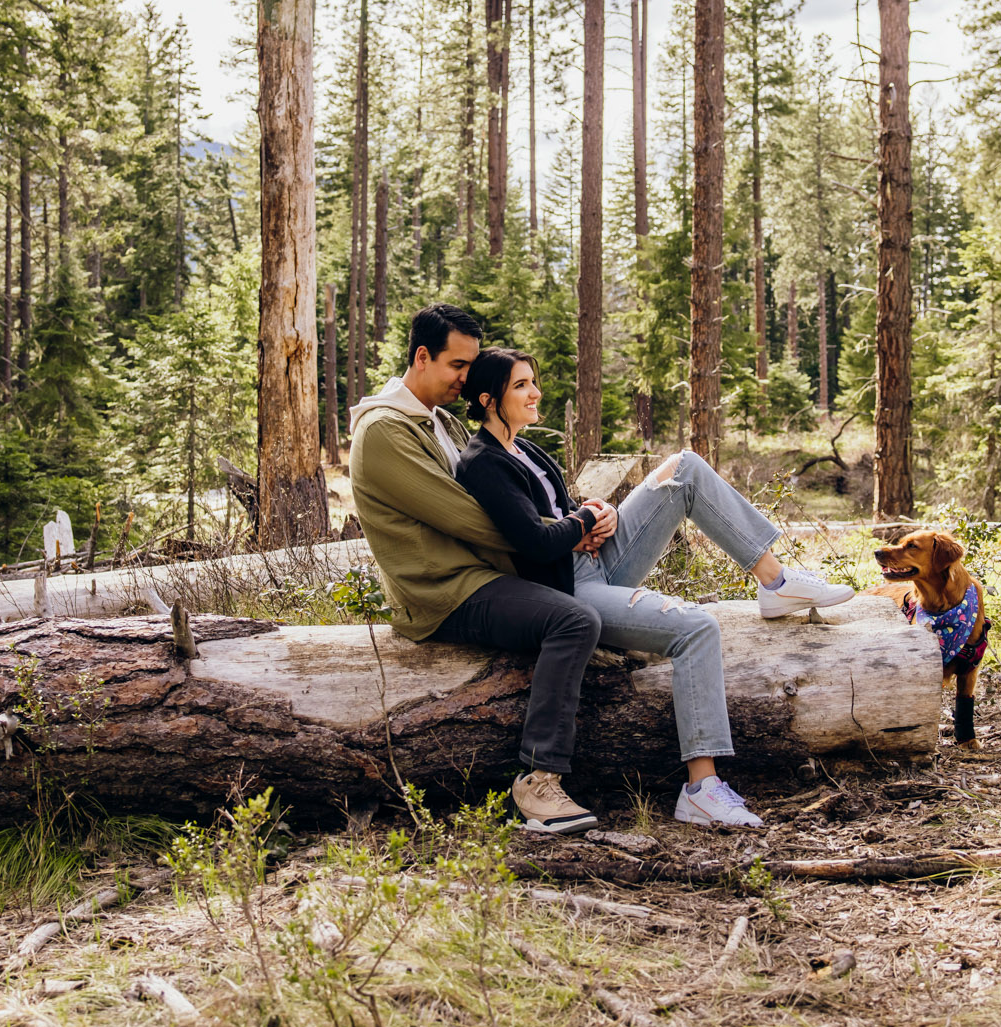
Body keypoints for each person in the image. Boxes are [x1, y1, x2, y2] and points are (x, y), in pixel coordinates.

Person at [454, 347, 857, 828]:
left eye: (533, 381)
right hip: (567, 591)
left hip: (591, 561)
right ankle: (701, 789)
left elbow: (556, 514)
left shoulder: (526, 447)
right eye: (520, 385)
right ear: (488, 398)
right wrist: (582, 520)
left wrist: (595, 513)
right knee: (697, 628)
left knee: (682, 467)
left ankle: (777, 580)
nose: (535, 392)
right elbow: (534, 542)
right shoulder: (483, 462)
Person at [348, 304, 604, 834]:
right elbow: (468, 518)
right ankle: (539, 784)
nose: (468, 379)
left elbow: (501, 501)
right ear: (422, 357)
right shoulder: (383, 432)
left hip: (483, 575)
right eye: (458, 366)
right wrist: (559, 536)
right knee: (573, 621)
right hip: (442, 592)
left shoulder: (438, 421)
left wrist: (568, 527)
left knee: (588, 601)